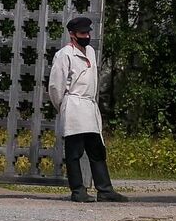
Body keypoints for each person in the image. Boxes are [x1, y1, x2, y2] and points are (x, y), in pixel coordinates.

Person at [48, 15, 124, 202]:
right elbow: (55, 86)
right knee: (74, 151)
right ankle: (78, 190)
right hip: (74, 105)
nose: (86, 36)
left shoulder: (90, 52)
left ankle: (105, 190)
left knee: (97, 149)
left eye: (88, 32)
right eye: (82, 33)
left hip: (89, 106)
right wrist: (63, 105)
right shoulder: (65, 54)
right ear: (72, 34)